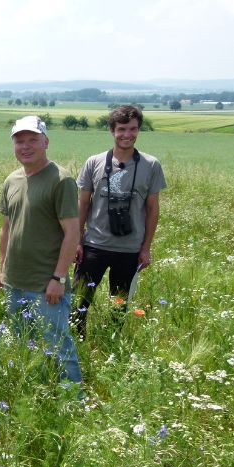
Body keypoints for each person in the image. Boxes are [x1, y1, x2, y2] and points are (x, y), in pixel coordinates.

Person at [0, 116, 82, 385]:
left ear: (46, 141)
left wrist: (58, 278)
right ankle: (37, 391)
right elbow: (6, 228)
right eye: (19, 141)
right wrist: (1, 271)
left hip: (46, 285)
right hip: (15, 282)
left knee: (59, 346)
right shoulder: (11, 180)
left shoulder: (61, 180)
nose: (26, 146)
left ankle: (73, 399)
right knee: (25, 344)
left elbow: (72, 232)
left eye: (33, 139)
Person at [72, 105, 166, 338]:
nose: (127, 135)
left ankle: (111, 345)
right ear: (111, 130)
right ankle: (77, 345)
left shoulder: (151, 165)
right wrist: (77, 240)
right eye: (122, 129)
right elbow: (82, 204)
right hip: (94, 245)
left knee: (119, 306)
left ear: (138, 130)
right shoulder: (94, 162)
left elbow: (153, 208)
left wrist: (146, 248)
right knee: (78, 304)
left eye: (133, 129)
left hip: (130, 249)